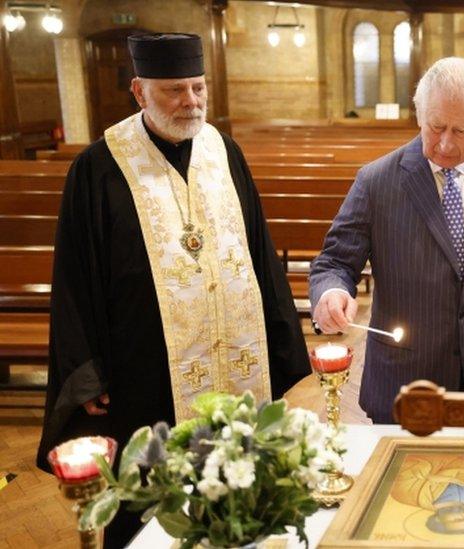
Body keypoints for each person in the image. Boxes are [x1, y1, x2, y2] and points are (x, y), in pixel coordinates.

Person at [35, 33, 310, 547]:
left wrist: (280, 340)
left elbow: (257, 249)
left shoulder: (224, 152)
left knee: (238, 488)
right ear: (139, 92)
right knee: (148, 501)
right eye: (174, 91)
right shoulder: (99, 167)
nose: (191, 102)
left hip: (233, 361)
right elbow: (73, 278)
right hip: (144, 366)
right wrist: (86, 371)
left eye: (198, 88)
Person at [309, 57, 464, 424]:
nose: (445, 143)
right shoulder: (376, 181)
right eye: (436, 126)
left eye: (460, 131)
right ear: (420, 115)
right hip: (404, 382)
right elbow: (334, 263)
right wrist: (331, 293)